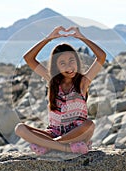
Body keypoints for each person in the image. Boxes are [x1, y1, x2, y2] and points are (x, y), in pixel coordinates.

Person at [15, 26, 106, 155]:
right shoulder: (52, 81)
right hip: (54, 134)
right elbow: (28, 58)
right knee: (20, 128)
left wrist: (82, 37)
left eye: (71, 61)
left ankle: (50, 145)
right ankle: (64, 148)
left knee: (89, 124)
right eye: (62, 63)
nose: (69, 66)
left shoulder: (83, 82)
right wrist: (49, 38)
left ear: (77, 62)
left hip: (77, 134)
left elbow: (101, 57)